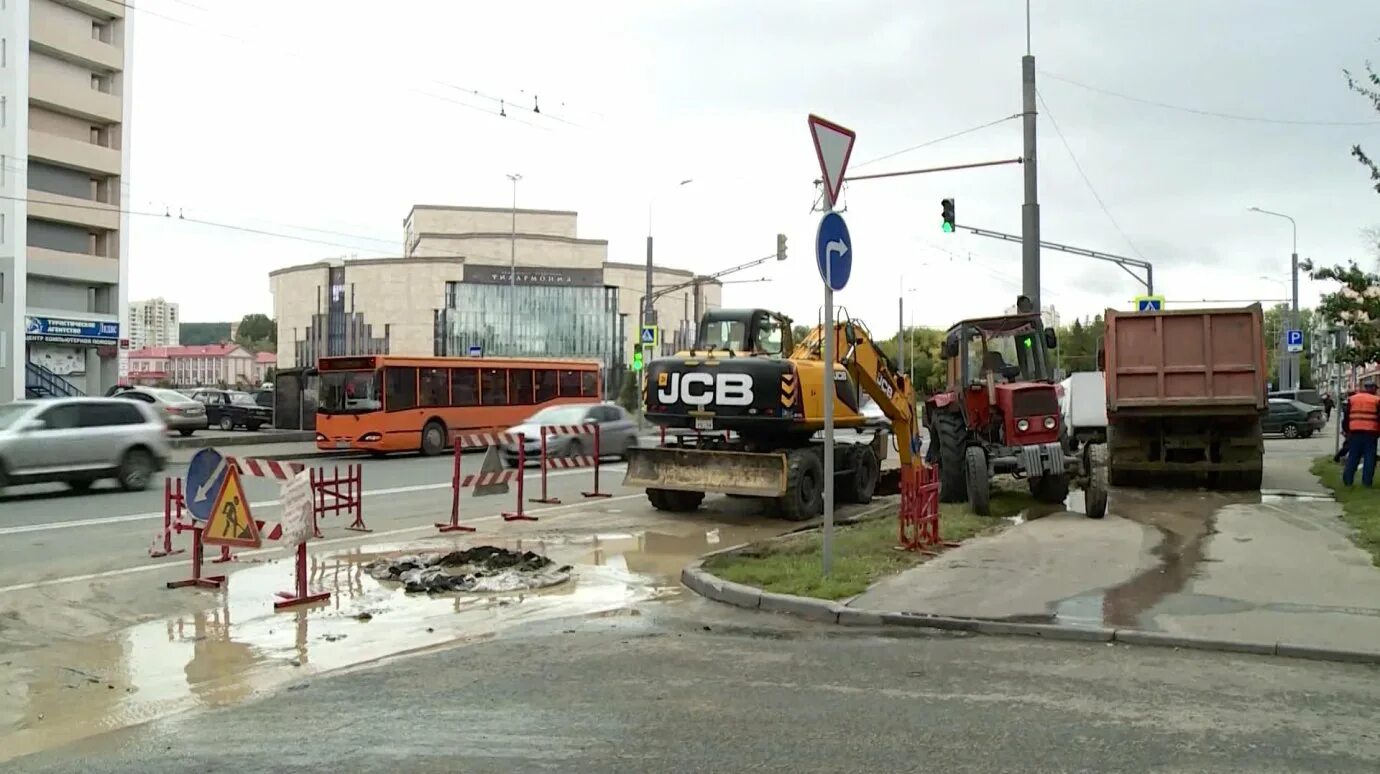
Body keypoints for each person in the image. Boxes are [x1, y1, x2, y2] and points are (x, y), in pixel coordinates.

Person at [1342, 383, 1380, 487]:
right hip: (1371, 433)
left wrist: (1346, 431)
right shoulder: (1376, 400)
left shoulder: (1353, 399)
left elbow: (1346, 416)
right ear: (1373, 389)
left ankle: (1348, 481)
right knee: (1369, 458)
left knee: (1353, 456)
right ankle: (1367, 483)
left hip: (1355, 432)